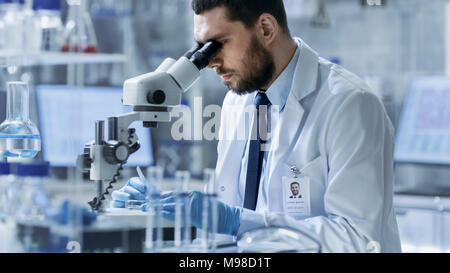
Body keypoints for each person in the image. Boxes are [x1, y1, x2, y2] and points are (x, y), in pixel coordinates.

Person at [111, 0, 401, 253]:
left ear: (265, 29)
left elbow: (358, 241)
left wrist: (237, 222)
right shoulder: (237, 102)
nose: (210, 62)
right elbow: (225, 211)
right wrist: (165, 207)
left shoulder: (350, 105)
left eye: (217, 44)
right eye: (201, 48)